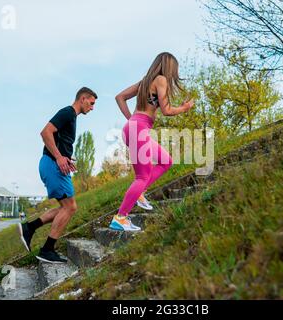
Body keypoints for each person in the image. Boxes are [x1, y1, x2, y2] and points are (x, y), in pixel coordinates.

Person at [109, 52, 194, 232]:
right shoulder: (161, 80)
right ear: (168, 67)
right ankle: (120, 217)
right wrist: (185, 108)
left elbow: (119, 97)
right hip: (138, 129)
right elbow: (167, 110)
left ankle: (139, 193)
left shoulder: (145, 82)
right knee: (142, 177)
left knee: (166, 161)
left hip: (134, 127)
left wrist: (131, 119)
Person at [17, 87, 97, 263]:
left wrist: (66, 157)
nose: (92, 108)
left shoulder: (72, 117)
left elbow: (59, 140)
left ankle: (29, 228)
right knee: (70, 207)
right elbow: (45, 132)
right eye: (91, 104)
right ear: (83, 98)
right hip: (52, 164)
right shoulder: (68, 112)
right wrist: (60, 157)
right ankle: (47, 250)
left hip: (54, 164)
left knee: (66, 207)